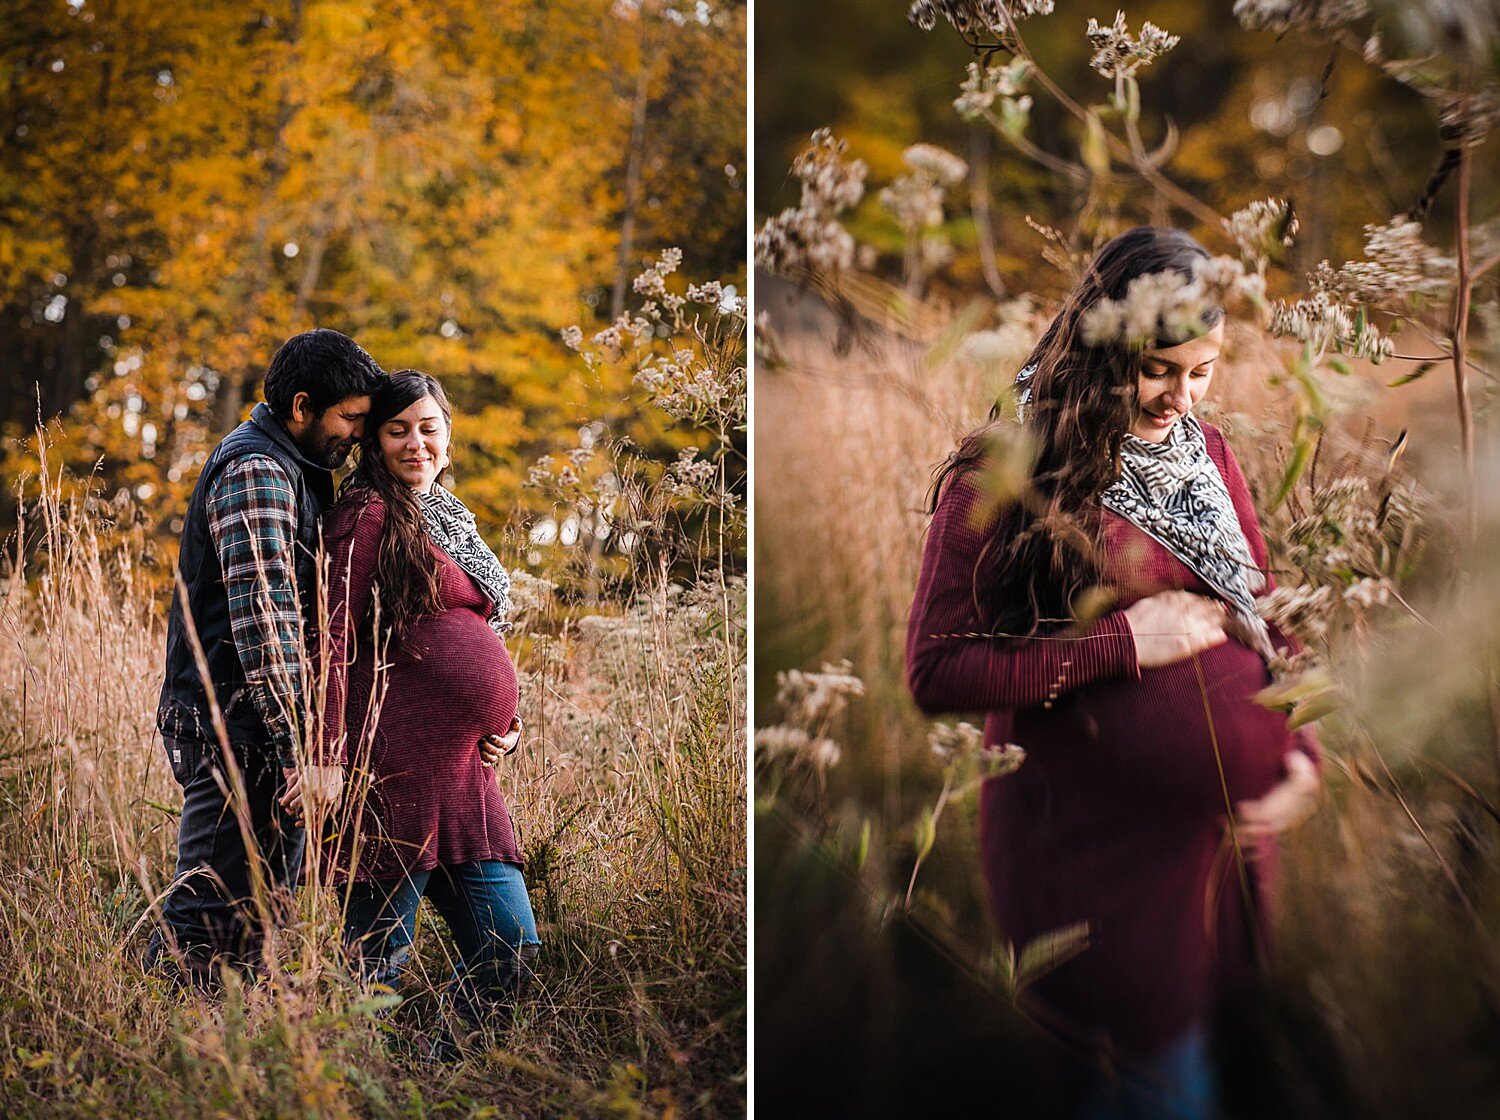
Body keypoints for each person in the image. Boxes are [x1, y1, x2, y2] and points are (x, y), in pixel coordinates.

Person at [905, 227, 1322, 1118]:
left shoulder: (1208, 456)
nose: (1182, 395)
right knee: (1149, 1085)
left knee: (1219, 1062)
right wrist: (1121, 646)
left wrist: (1304, 753)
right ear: (1104, 348)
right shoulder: (1006, 468)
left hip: (1217, 862)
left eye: (1202, 370)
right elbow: (935, 671)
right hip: (1096, 865)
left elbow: (1270, 611)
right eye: (1158, 369)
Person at [149, 328, 385, 987]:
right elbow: (266, 624)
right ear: (303, 407)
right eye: (350, 419)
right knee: (207, 920)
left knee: (256, 921)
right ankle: (152, 1053)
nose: (357, 436)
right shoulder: (258, 469)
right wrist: (302, 749)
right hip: (236, 727)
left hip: (255, 728)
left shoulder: (296, 471)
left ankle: (232, 1063)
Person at [313, 369, 538, 1049]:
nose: (416, 442)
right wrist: (326, 758)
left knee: (510, 950)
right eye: (398, 429)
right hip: (392, 774)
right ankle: (348, 1090)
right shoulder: (365, 515)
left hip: (467, 776)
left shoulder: (445, 518)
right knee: (374, 974)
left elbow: (478, 641)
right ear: (375, 442)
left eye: (428, 427)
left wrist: (507, 727)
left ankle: (435, 1071)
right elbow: (329, 639)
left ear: (449, 434)